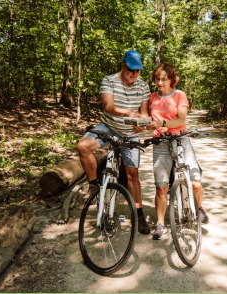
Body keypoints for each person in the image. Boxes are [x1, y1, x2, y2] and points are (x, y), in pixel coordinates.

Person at [77, 50, 151, 234]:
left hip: (129, 133)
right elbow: (108, 107)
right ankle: (94, 184)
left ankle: (139, 215)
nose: (135, 74)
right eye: (131, 70)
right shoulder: (109, 80)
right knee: (83, 146)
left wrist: (141, 123)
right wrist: (128, 112)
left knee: (133, 175)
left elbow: (144, 113)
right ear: (123, 66)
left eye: (138, 71)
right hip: (108, 127)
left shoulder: (143, 86)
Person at [146, 63, 209, 240]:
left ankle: (198, 208)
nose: (160, 82)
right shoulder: (152, 97)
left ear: (172, 80)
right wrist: (145, 125)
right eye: (157, 79)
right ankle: (160, 224)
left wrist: (162, 124)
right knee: (161, 187)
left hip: (181, 139)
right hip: (160, 143)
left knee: (196, 182)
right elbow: (147, 118)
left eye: (164, 79)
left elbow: (181, 119)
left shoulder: (179, 95)